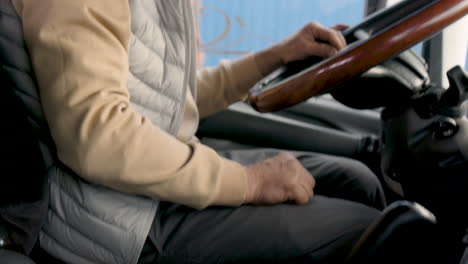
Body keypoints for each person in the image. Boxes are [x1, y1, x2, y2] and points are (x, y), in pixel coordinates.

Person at [10, 0, 386, 263]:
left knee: (357, 182)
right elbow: (98, 137)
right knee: (380, 235)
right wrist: (248, 183)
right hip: (115, 220)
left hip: (145, 181)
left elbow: (169, 97)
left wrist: (273, 57)